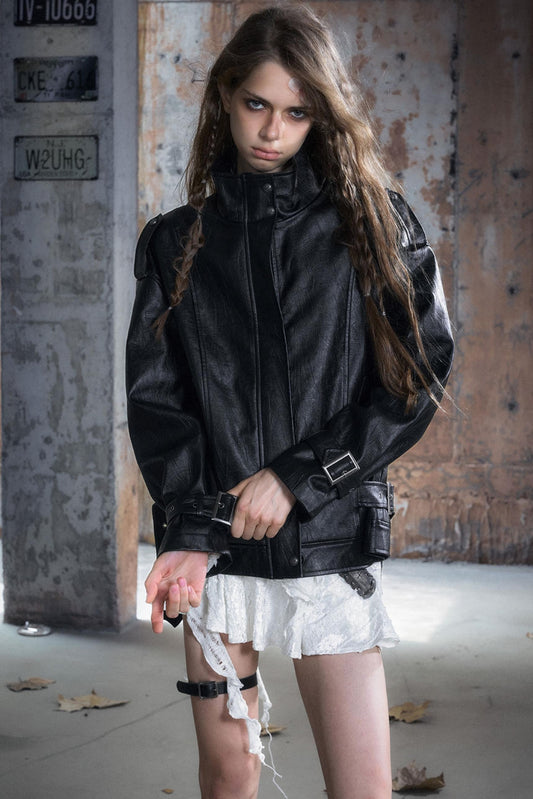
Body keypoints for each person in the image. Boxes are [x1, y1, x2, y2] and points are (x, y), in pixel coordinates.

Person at [126, 5, 454, 798]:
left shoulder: (373, 223)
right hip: (218, 543)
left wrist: (298, 477)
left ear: (321, 115)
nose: (272, 130)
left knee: (360, 788)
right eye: (256, 104)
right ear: (225, 97)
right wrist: (188, 534)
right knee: (228, 775)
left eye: (297, 112)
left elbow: (416, 377)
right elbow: (159, 405)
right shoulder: (174, 242)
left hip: (327, 540)